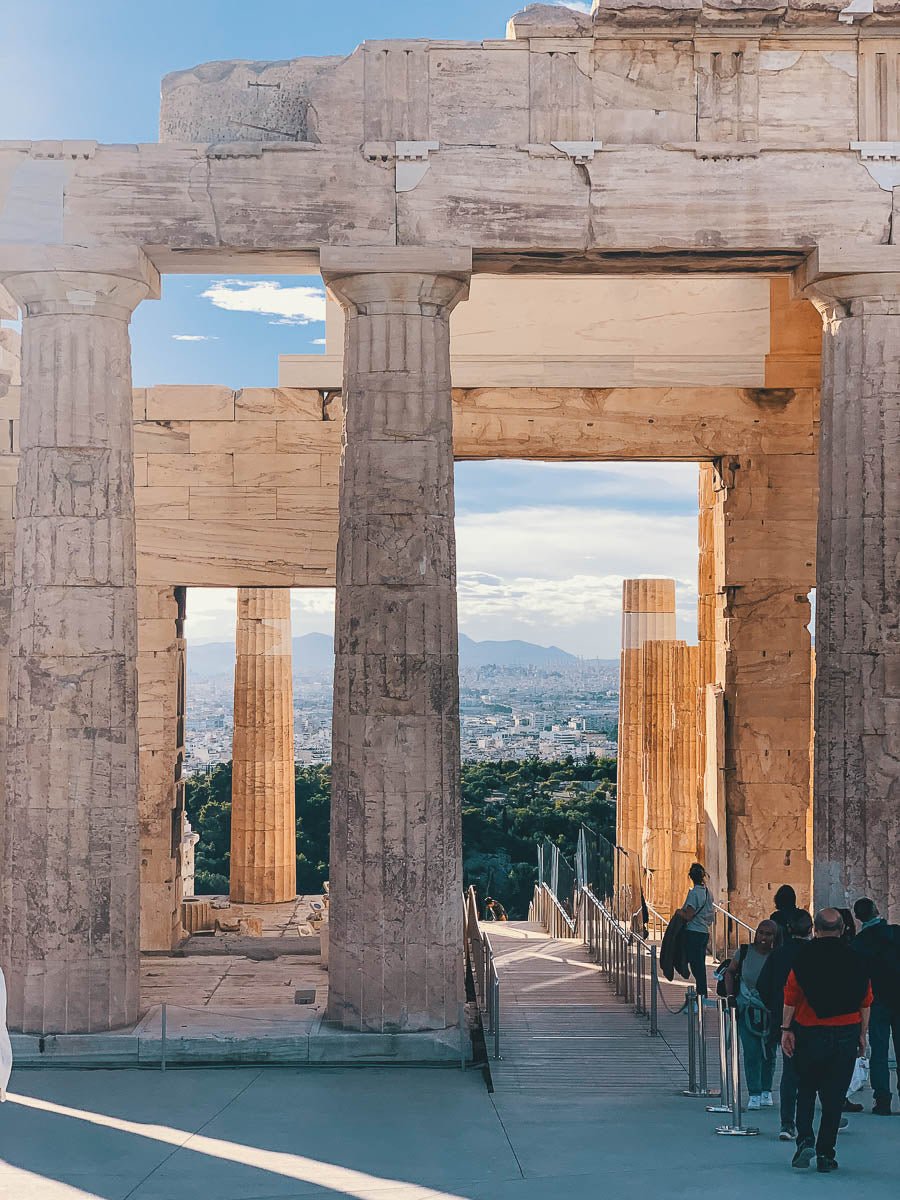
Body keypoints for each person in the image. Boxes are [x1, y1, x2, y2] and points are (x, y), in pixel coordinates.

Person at [782, 908, 872, 1174]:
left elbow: (791, 995)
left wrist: (786, 1028)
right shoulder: (857, 959)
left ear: (816, 930)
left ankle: (805, 1140)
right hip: (845, 1031)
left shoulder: (803, 956)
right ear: (843, 929)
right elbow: (865, 1001)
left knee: (806, 1090)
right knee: (834, 1097)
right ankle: (825, 1153)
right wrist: (861, 1034)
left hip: (809, 1031)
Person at [758, 908, 813, 1138]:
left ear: (788, 930)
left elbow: (762, 985)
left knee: (790, 1072)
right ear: (811, 930)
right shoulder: (815, 953)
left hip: (785, 1019)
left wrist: (774, 1006)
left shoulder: (778, 954)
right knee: (815, 1073)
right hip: (813, 1019)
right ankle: (816, 1120)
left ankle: (787, 1123)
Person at [852, 897, 900, 1115]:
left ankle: (882, 1100)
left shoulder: (860, 942)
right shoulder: (896, 933)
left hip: (876, 1001)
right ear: (877, 909)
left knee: (879, 1051)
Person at [724, 919, 779, 1110]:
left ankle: (766, 1089)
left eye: (768, 934)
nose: (763, 937)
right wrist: (731, 995)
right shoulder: (744, 952)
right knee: (751, 1051)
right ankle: (754, 1092)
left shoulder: (777, 955)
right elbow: (730, 972)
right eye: (761, 933)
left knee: (769, 1051)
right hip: (746, 1007)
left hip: (770, 1008)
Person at [675, 863, 715, 1000]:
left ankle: (701, 994)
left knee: (696, 965)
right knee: (700, 964)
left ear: (690, 877)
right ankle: (702, 993)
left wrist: (679, 912)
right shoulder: (708, 892)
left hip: (693, 932)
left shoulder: (694, 893)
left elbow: (689, 915)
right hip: (704, 932)